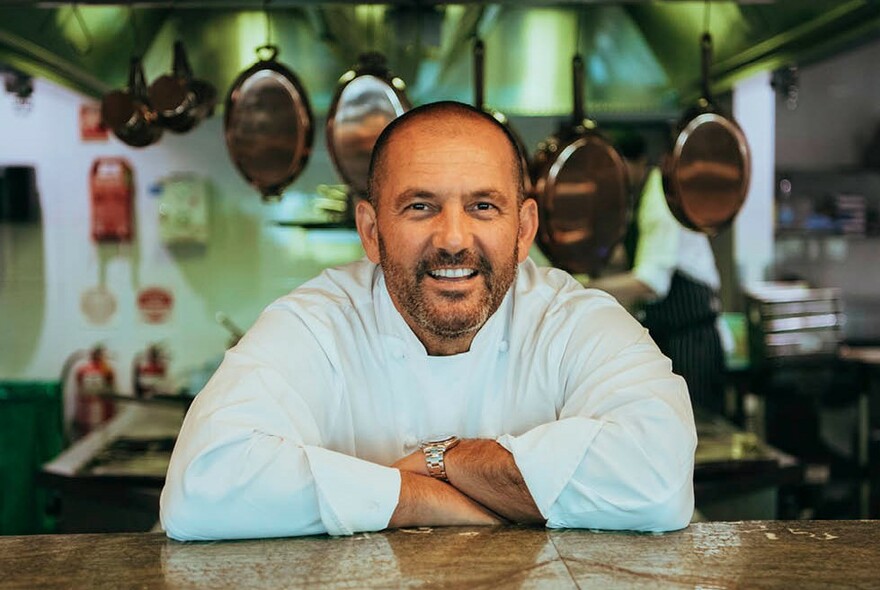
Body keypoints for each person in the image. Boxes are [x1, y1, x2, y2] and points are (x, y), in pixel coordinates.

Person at [160, 102, 697, 541]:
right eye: (420, 206)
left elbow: (660, 479)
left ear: (524, 228)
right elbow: (199, 489)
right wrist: (424, 498)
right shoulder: (318, 321)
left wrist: (442, 460)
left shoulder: (570, 320)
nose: (454, 239)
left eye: (484, 206)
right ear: (371, 230)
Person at [589, 131, 724, 413]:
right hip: (672, 333)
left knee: (695, 429)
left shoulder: (659, 200)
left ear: (638, 162)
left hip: (690, 339)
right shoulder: (643, 196)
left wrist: (584, 289)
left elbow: (652, 282)